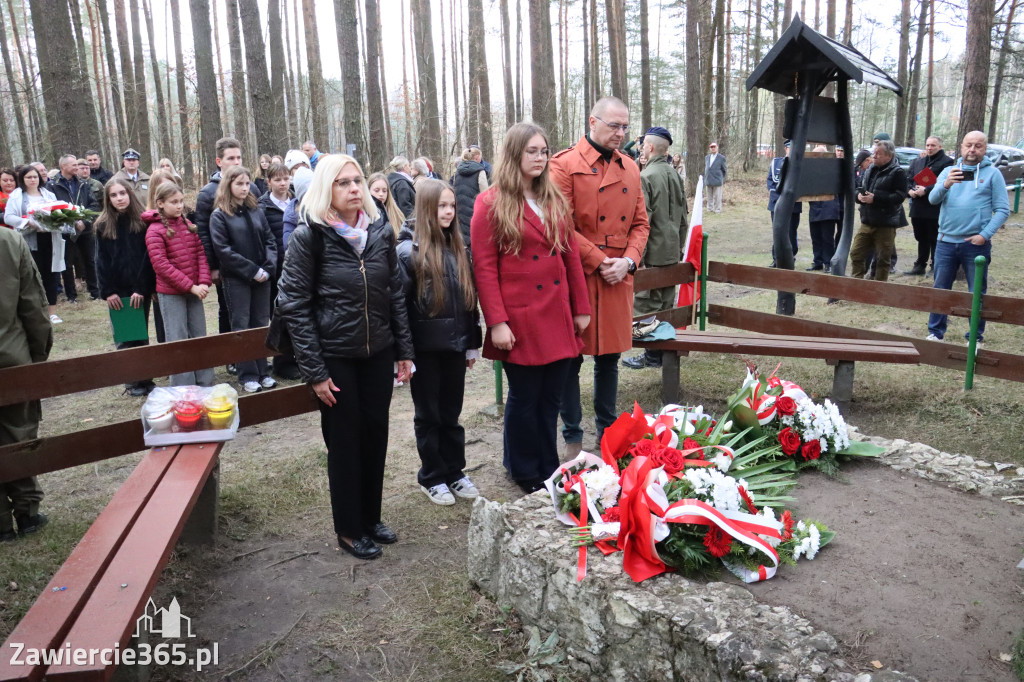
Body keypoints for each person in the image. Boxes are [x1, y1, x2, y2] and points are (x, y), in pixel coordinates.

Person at [276, 154, 413, 560]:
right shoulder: (310, 236)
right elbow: (293, 303)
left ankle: (371, 517)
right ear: (325, 190)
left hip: (376, 352)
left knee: (376, 435)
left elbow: (394, 295)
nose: (355, 189)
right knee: (346, 441)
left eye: (357, 181)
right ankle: (350, 529)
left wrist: (403, 350)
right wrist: (315, 371)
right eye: (343, 183)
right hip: (334, 357)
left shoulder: (379, 231)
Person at [472, 122, 590, 492]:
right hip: (519, 319)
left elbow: (570, 257)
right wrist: (497, 322)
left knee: (551, 397)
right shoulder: (490, 202)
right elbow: (485, 269)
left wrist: (581, 307)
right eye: (532, 152)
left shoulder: (554, 198)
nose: (540, 158)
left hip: (556, 315)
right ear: (514, 155)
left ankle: (547, 465)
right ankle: (524, 469)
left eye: (544, 151)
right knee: (525, 398)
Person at [548, 96, 649, 457]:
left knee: (609, 359)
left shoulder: (631, 167)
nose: (621, 133)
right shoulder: (563, 165)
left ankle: (608, 434)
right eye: (614, 126)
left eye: (625, 126)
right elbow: (559, 224)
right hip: (578, 272)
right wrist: (600, 259)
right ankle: (572, 437)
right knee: (571, 357)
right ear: (593, 123)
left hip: (619, 275)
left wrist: (630, 262)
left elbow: (641, 224)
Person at [397, 180, 483, 505]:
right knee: (429, 415)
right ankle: (432, 476)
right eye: (441, 206)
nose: (447, 212)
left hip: (455, 348)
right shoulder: (408, 251)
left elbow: (467, 300)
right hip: (425, 351)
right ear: (425, 208)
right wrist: (404, 354)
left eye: (451, 206)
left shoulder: (458, 247)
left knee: (451, 413)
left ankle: (454, 471)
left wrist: (471, 342)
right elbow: (399, 309)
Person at [926, 131, 1008, 343]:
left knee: (976, 292)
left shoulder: (993, 174)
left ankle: (975, 337)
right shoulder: (947, 171)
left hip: (975, 245)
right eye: (968, 145)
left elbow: (1002, 210)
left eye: (978, 146)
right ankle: (935, 332)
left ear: (984, 149)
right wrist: (946, 185)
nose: (972, 150)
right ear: (961, 147)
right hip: (945, 241)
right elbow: (933, 200)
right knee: (940, 289)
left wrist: (984, 235)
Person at [0, 223, 53, 541]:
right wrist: (36, 357)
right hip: (12, 357)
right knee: (18, 432)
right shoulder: (8, 240)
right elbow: (34, 306)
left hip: (13, 355)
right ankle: (27, 512)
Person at [623, 126, 687, 370]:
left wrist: (639, 256)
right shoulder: (674, 174)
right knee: (666, 305)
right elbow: (683, 217)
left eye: (642, 145)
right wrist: (679, 247)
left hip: (652, 253)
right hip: (672, 251)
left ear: (649, 147)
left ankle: (651, 356)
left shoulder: (645, 176)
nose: (641, 148)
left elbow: (643, 220)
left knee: (647, 305)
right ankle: (660, 354)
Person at [209, 166, 278, 393]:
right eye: (239, 183)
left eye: (247, 183)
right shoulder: (219, 215)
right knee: (242, 324)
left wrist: (268, 267)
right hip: (238, 278)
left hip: (263, 276)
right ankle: (247, 374)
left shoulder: (256, 209)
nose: (244, 188)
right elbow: (224, 251)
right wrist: (251, 270)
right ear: (228, 185)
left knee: (261, 322)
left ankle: (262, 370)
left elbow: (269, 239)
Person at [144, 181, 214, 387]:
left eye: (181, 201)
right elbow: (161, 266)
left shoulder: (187, 225)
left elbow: (200, 253)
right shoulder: (155, 230)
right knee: (178, 340)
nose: (179, 206)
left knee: (199, 336)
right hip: (171, 294)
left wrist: (203, 281)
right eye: (174, 202)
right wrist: (190, 286)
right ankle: (183, 388)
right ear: (160, 203)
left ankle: (205, 383)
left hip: (194, 291)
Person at [195, 137, 263, 346]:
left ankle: (255, 353)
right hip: (226, 263)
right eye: (230, 158)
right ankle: (232, 356)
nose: (236, 162)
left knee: (255, 310)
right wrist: (213, 267)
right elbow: (205, 234)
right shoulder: (208, 194)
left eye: (239, 157)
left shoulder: (252, 189)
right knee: (229, 308)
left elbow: (260, 226)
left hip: (254, 261)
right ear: (219, 161)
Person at [94, 179, 157, 396]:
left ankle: (146, 378)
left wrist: (142, 288)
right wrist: (108, 291)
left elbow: (148, 258)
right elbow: (100, 261)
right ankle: (132, 382)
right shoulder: (103, 225)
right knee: (125, 336)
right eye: (114, 195)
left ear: (130, 194)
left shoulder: (142, 222)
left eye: (123, 193)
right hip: (117, 290)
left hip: (139, 288)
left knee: (140, 335)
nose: (119, 198)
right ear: (108, 199)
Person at [5, 165, 68, 324]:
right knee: (33, 275)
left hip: (50, 239)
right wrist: (28, 223)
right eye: (29, 177)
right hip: (29, 240)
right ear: (23, 179)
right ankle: (35, 311)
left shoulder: (49, 194)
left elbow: (59, 213)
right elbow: (9, 217)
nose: (32, 180)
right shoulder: (17, 196)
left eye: (35, 177)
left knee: (52, 274)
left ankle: (52, 312)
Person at [258, 162, 300, 380]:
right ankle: (280, 361)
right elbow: (265, 240)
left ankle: (295, 358)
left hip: (296, 269)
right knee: (277, 317)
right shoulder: (262, 207)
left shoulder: (297, 203)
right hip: (275, 271)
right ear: (269, 182)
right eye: (277, 180)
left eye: (286, 179)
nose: (283, 183)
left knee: (296, 315)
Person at [850, 140, 908, 282]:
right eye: (873, 153)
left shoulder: (898, 172)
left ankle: (879, 287)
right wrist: (858, 196)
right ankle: (856, 282)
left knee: (883, 258)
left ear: (889, 156)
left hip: (886, 223)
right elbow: (860, 187)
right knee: (856, 252)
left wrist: (876, 199)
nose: (874, 156)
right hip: (867, 221)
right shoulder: (870, 169)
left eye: (878, 154)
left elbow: (900, 196)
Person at [48, 154, 101, 301]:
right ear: (63, 167)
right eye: (74, 165)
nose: (77, 168)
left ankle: (95, 292)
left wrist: (84, 221)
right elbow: (52, 208)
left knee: (90, 260)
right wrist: (71, 222)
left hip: (85, 229)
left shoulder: (84, 184)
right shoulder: (53, 185)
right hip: (65, 231)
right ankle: (71, 295)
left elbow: (93, 204)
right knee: (67, 262)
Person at [906, 135, 954, 276]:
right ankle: (920, 265)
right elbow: (908, 179)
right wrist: (909, 191)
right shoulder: (918, 161)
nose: (929, 148)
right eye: (927, 145)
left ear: (940, 146)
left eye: (933, 145)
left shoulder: (948, 163)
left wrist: (926, 190)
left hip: (935, 207)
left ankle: (935, 266)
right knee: (921, 237)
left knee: (934, 237)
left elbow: (945, 183)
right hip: (917, 206)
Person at [767, 140, 801, 267]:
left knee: (791, 232)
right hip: (776, 203)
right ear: (785, 149)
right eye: (788, 148)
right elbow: (770, 181)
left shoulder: (800, 163)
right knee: (777, 231)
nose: (790, 150)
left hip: (793, 204)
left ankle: (791, 256)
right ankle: (776, 258)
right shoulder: (776, 162)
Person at [806, 146, 839, 272]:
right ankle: (817, 261)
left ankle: (828, 263)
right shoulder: (810, 170)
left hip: (829, 207)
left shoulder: (831, 168)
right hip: (814, 207)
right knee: (815, 236)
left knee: (827, 238)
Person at [451, 147, 489, 247]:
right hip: (475, 210)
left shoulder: (457, 172)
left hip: (460, 210)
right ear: (477, 157)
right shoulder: (480, 171)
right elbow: (485, 195)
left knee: (463, 239)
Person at [368, 172, 405, 236]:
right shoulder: (363, 216)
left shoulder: (397, 214)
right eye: (376, 190)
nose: (381, 194)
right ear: (368, 191)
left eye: (384, 191)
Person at [704, 142, 726, 213]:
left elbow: (724, 170)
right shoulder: (707, 157)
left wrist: (720, 178)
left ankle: (717, 209)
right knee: (709, 196)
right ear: (710, 148)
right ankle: (709, 209)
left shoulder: (721, 158)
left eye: (714, 147)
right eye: (711, 147)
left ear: (717, 148)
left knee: (717, 197)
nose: (713, 148)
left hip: (717, 180)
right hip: (708, 179)